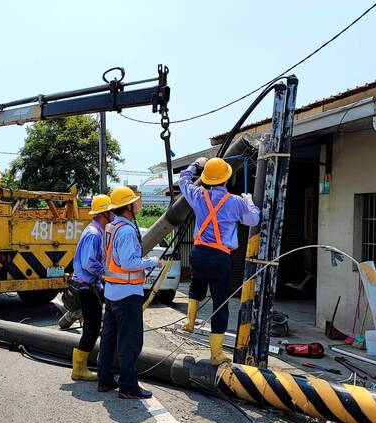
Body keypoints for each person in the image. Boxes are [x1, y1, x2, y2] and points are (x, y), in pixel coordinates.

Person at [179, 157, 260, 365]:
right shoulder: (235, 202)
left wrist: (195, 165)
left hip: (197, 253)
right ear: (228, 178)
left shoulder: (198, 194)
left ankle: (189, 322)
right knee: (220, 304)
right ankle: (215, 355)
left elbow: (183, 180)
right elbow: (253, 219)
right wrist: (249, 198)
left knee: (196, 284)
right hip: (219, 257)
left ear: (206, 179)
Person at [97, 186, 162, 399]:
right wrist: (152, 261)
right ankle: (128, 385)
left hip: (113, 291)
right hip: (127, 293)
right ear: (128, 207)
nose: (139, 202)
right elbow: (128, 262)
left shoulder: (111, 227)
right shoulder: (125, 231)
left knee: (109, 338)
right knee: (130, 342)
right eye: (135, 200)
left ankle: (105, 379)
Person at [69, 193, 113, 381]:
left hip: (92, 286)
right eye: (111, 211)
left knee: (94, 327)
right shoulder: (94, 234)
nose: (113, 214)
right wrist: (108, 271)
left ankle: (81, 366)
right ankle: (79, 369)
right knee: (92, 328)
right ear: (105, 213)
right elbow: (88, 263)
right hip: (88, 287)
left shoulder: (97, 231)